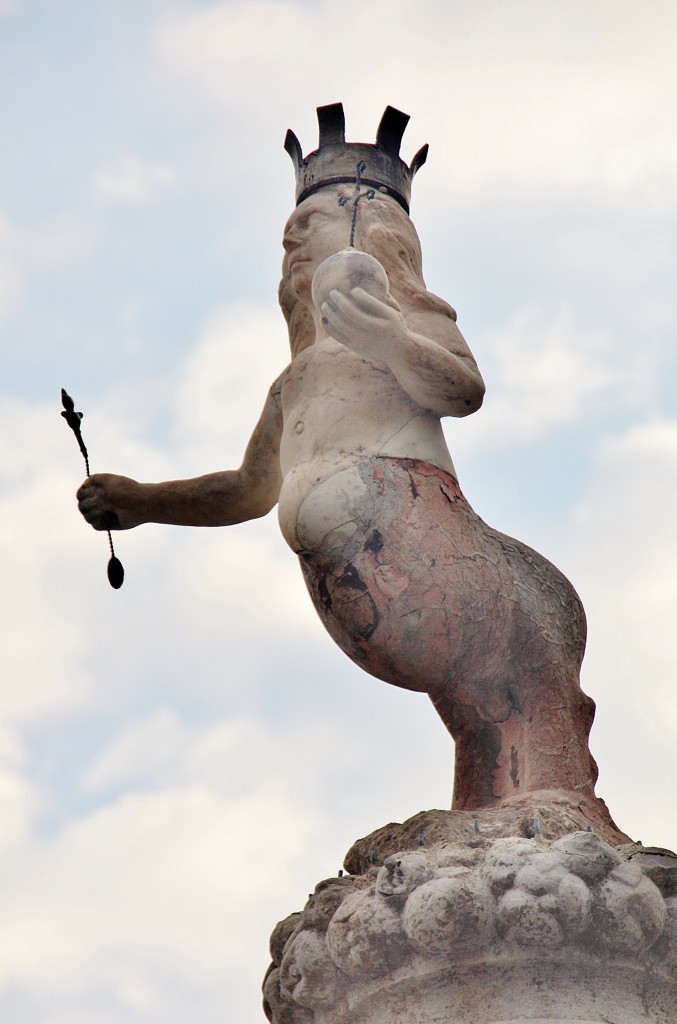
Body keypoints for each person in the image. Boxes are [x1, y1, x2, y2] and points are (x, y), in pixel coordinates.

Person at [78, 182, 611, 825]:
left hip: (425, 541)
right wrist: (142, 501)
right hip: (350, 572)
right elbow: (248, 489)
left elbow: (463, 391)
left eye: (320, 219)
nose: (295, 243)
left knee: (496, 706)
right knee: (477, 720)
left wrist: (392, 341)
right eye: (289, 240)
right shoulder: (294, 380)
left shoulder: (405, 322)